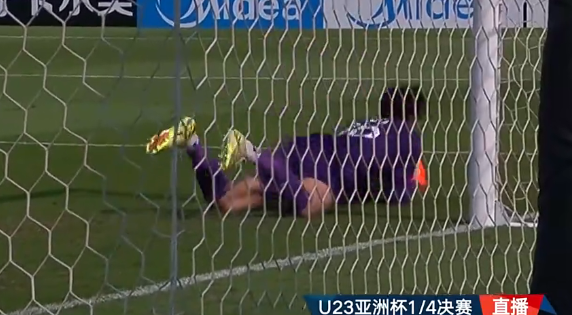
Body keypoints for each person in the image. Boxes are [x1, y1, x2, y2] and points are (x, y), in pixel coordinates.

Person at [145, 86, 427, 218]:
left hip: (304, 148)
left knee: (225, 203)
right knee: (309, 206)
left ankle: (192, 143)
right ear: (415, 116)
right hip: (328, 170)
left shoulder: (368, 124)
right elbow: (398, 197)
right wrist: (410, 180)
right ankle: (251, 152)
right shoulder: (409, 138)